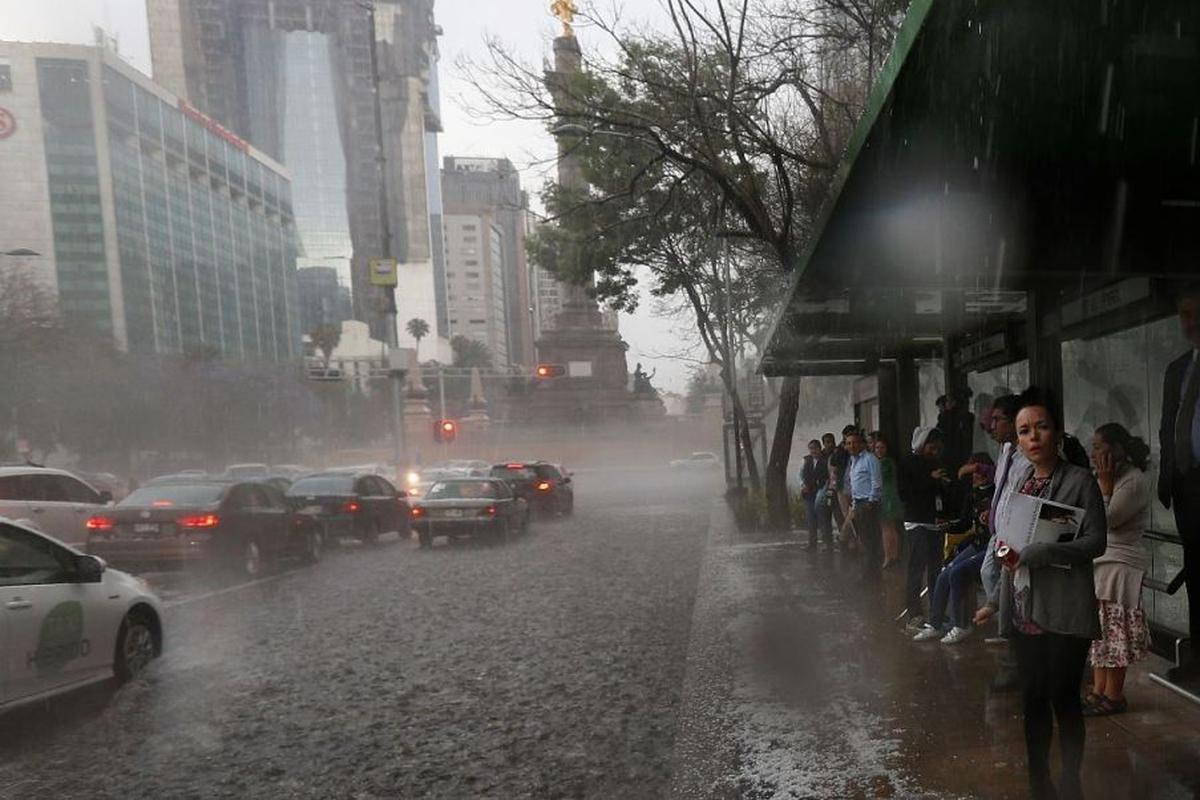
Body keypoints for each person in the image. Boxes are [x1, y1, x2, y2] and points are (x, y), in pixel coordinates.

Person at [974, 387, 1107, 800]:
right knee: (1032, 700)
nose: (1034, 437)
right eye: (1024, 430)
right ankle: (1038, 783)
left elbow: (1095, 543)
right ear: (1016, 440)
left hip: (1065, 610)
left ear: (1057, 432)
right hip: (1023, 609)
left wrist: (1043, 552)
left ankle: (1071, 779)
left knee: (1064, 697)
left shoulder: (1079, 481)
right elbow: (1004, 540)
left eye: (1041, 427)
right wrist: (996, 594)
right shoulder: (1019, 482)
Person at [1085, 423, 1152, 716]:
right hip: (1102, 564)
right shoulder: (1109, 478)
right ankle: (1098, 691)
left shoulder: (1133, 481)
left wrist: (1105, 484)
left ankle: (1114, 696)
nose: (1094, 452)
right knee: (1099, 633)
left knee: (1115, 633)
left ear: (1116, 449)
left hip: (1121, 566)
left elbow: (1106, 519)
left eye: (1099, 446)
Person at [1157, 283, 1200, 685]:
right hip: (1189, 485)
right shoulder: (1179, 368)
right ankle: (1197, 659)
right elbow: (1167, 426)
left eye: (1195, 313)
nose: (1190, 323)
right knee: (1194, 570)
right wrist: (1166, 475)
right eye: (1184, 315)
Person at [912, 454, 995, 644]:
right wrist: (947, 526)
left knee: (957, 573)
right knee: (944, 573)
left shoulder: (997, 494)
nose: (974, 477)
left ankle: (961, 625)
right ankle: (936, 624)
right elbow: (965, 523)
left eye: (978, 473)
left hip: (992, 547)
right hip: (978, 544)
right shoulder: (973, 494)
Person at [978, 394, 1030, 690]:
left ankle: (1014, 654)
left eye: (998, 419)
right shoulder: (1006, 451)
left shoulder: (1028, 457)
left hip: (1016, 535)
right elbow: (1003, 490)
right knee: (992, 574)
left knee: (1012, 587)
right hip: (1000, 532)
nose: (991, 425)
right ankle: (1003, 623)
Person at [899, 426, 948, 627]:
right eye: (930, 445)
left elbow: (940, 495)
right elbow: (906, 494)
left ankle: (937, 612)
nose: (934, 449)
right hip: (916, 521)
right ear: (921, 443)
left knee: (937, 568)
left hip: (935, 522)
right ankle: (915, 612)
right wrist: (930, 480)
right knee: (917, 567)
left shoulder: (936, 462)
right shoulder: (907, 463)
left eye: (937, 445)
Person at [845, 428, 883, 582]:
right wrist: (854, 505)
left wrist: (871, 502)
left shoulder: (870, 459)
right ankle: (870, 572)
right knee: (865, 540)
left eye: (854, 443)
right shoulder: (854, 461)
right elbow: (856, 485)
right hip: (858, 504)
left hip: (868, 504)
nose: (851, 446)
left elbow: (876, 482)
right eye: (848, 443)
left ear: (861, 444)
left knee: (871, 540)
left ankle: (871, 574)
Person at [872, 433, 903, 568]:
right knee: (891, 528)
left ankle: (888, 557)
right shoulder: (887, 462)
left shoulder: (884, 463)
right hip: (890, 496)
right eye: (877, 448)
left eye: (882, 447)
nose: (879, 450)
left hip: (886, 497)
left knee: (886, 528)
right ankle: (894, 556)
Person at [799, 439, 831, 548]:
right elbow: (801, 475)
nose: (813, 451)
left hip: (820, 491)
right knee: (810, 518)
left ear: (819, 448)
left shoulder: (825, 461)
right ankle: (812, 543)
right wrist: (803, 485)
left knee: (823, 518)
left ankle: (826, 543)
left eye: (815, 448)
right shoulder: (807, 461)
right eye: (811, 449)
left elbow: (828, 478)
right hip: (809, 493)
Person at [828, 426, 855, 546]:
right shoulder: (840, 450)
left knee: (852, 513)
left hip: (854, 486)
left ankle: (844, 535)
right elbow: (834, 465)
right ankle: (851, 542)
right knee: (846, 514)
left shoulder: (860, 451)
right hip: (842, 485)